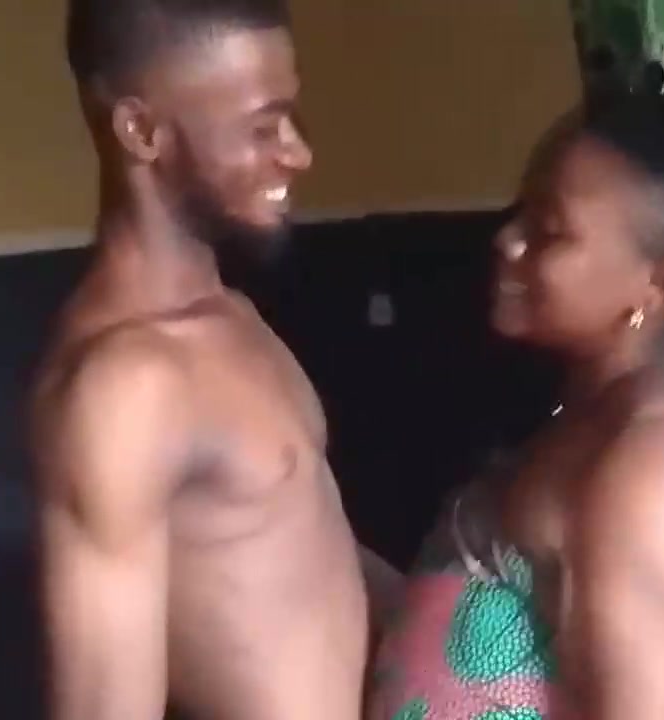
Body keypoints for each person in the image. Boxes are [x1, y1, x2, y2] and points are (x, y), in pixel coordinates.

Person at [28, 1, 401, 718]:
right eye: (262, 127)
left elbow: (298, 554)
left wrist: (460, 609)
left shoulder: (231, 317)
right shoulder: (125, 389)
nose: (297, 152)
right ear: (142, 133)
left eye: (290, 118)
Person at [367, 88, 664, 720]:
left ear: (658, 284)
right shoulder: (589, 413)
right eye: (520, 210)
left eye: (549, 231)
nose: (507, 240)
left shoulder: (654, 482)